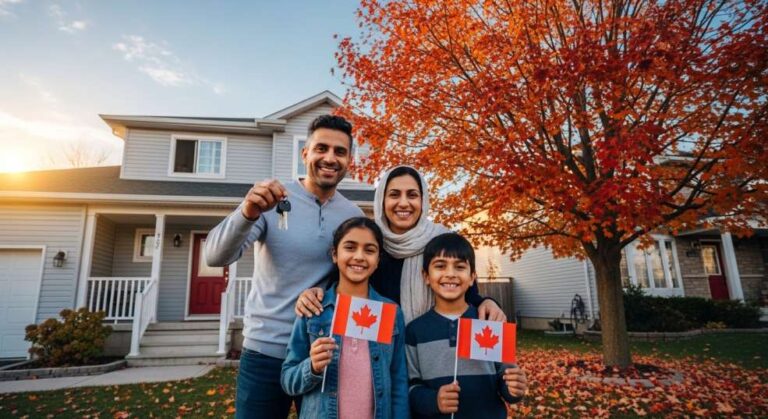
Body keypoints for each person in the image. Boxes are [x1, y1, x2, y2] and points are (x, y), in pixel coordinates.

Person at [205, 114, 364, 419]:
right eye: (321, 148)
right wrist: (247, 211)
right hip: (266, 352)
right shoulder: (271, 201)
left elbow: (357, 275)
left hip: (320, 352)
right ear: (305, 153)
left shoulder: (352, 214)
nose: (330, 158)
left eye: (340, 152)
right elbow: (215, 257)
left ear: (349, 161)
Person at [295, 165, 506, 324]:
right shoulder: (370, 245)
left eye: (412, 195)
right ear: (381, 201)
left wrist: (488, 302)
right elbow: (338, 287)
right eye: (394, 194)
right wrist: (313, 293)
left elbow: (467, 293)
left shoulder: (443, 243)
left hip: (430, 356)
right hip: (380, 361)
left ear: (423, 201)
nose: (403, 203)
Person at [281, 217, 409, 419]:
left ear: (377, 260)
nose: (359, 256)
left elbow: (398, 381)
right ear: (335, 254)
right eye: (350, 247)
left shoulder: (389, 313)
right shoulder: (314, 309)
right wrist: (312, 366)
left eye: (369, 250)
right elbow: (288, 379)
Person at [406, 233, 526, 418]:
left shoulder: (490, 322)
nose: (450, 274)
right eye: (440, 266)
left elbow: (506, 378)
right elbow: (410, 386)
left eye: (460, 267)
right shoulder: (415, 331)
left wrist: (514, 388)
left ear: (472, 278)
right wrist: (433, 400)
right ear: (426, 276)